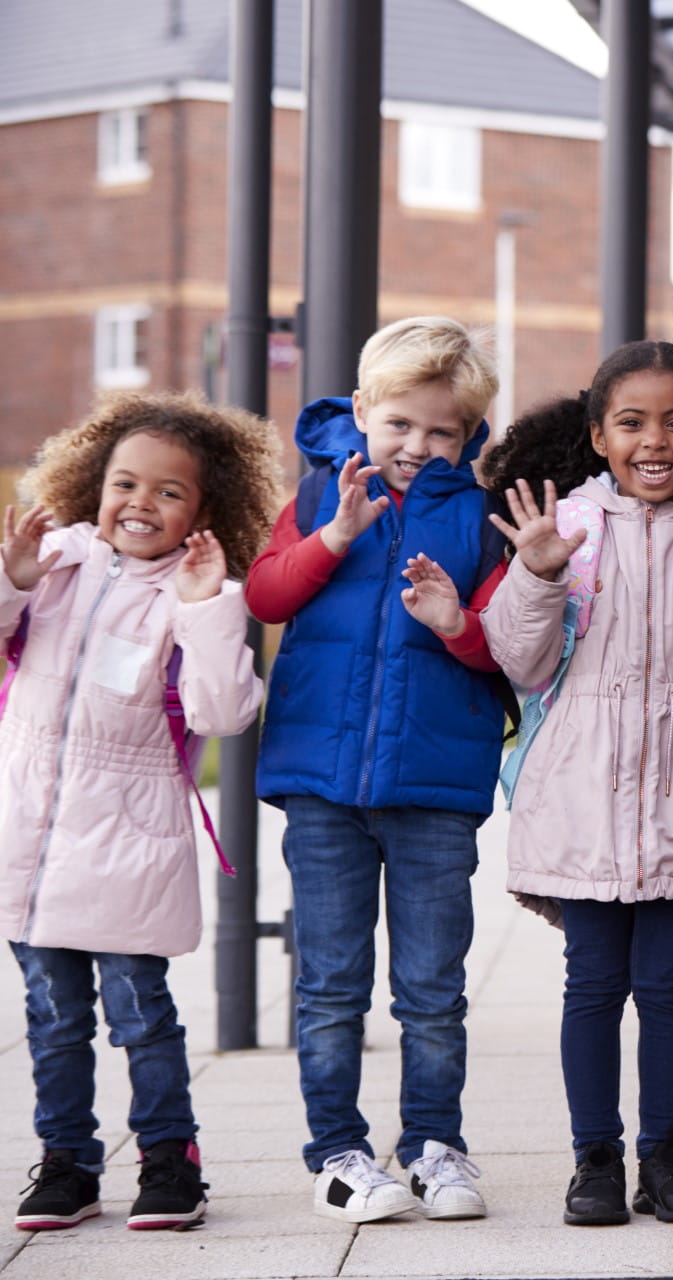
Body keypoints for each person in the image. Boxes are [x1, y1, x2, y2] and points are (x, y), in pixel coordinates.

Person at [480, 340, 673, 1228]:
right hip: (580, 798)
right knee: (591, 986)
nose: (655, 441)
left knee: (672, 990)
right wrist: (534, 572)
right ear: (599, 435)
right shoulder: (561, 526)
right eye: (633, 423)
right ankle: (594, 1162)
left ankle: (667, 1158)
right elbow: (521, 660)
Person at [246, 316, 505, 1223]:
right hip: (322, 788)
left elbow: (506, 651)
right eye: (399, 424)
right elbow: (265, 594)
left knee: (433, 989)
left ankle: (435, 1144)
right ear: (361, 412)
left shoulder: (480, 517)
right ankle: (339, 1152)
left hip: (435, 792)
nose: (416, 446)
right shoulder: (321, 493)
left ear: (468, 436)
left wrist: (454, 624)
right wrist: (332, 538)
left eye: (441, 432)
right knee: (328, 984)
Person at [3, 391, 282, 1231]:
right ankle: (67, 1162)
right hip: (29, 828)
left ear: (205, 509)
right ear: (94, 482)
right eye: (127, 483)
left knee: (140, 1014)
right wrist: (10, 584)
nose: (142, 504)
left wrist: (204, 608)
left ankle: (169, 1158)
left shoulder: (194, 592)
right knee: (52, 1019)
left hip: (129, 832)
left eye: (170, 492)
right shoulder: (54, 562)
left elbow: (224, 712)